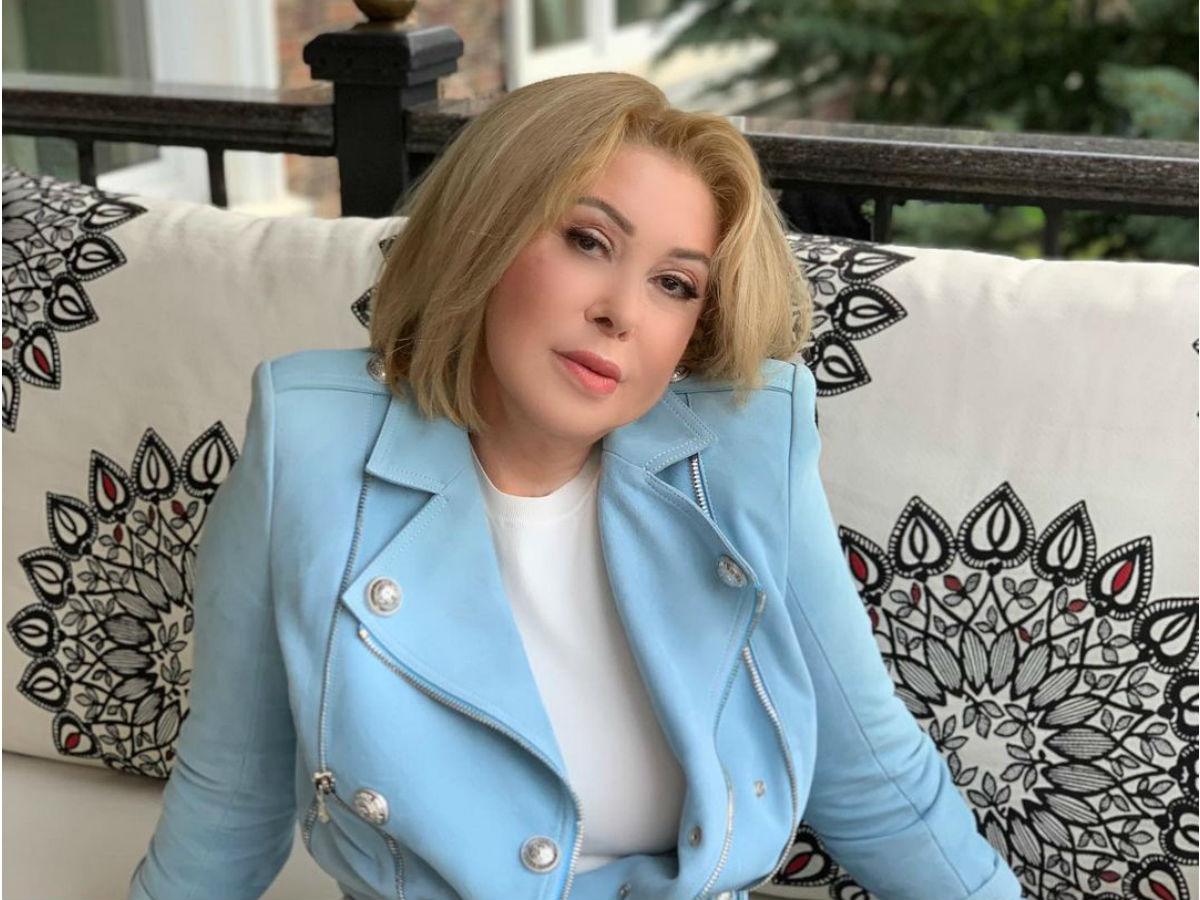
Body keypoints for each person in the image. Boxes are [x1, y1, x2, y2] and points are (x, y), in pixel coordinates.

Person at [126, 71, 1024, 900]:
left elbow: (877, 783)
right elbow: (231, 798)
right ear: (485, 230)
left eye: (674, 284)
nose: (621, 312)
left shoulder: (747, 456)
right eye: (588, 241)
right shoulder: (309, 449)